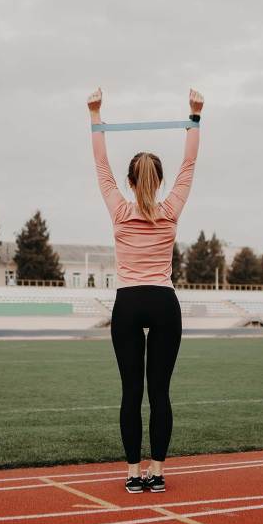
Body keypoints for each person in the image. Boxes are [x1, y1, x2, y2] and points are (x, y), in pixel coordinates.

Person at [87, 87, 204, 493]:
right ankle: (157, 472)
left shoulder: (120, 210)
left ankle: (134, 475)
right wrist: (195, 117)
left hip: (129, 303)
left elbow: (100, 163)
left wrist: (95, 114)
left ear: (130, 180)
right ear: (159, 181)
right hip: (163, 303)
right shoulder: (171, 210)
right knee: (160, 393)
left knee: (131, 392)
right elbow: (189, 163)